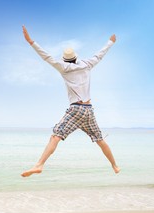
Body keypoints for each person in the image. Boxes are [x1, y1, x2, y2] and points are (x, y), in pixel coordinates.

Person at [21, 25, 120, 177]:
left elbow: (46, 56)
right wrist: (110, 42)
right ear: (76, 57)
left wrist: (30, 41)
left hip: (76, 110)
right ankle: (115, 166)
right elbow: (100, 54)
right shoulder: (87, 64)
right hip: (88, 110)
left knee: (56, 136)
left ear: (66, 59)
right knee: (100, 140)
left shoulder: (64, 68)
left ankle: (39, 165)